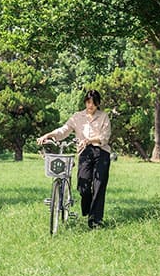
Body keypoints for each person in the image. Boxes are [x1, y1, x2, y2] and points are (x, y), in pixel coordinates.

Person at [37, 89, 112, 229]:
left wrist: (89, 140)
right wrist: (48, 135)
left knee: (99, 185)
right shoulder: (77, 117)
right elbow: (63, 130)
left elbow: (105, 137)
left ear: (98, 104)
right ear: (85, 102)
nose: (91, 106)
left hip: (102, 152)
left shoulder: (104, 117)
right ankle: (88, 208)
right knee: (83, 185)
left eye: (94, 103)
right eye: (89, 102)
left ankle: (95, 221)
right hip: (84, 152)